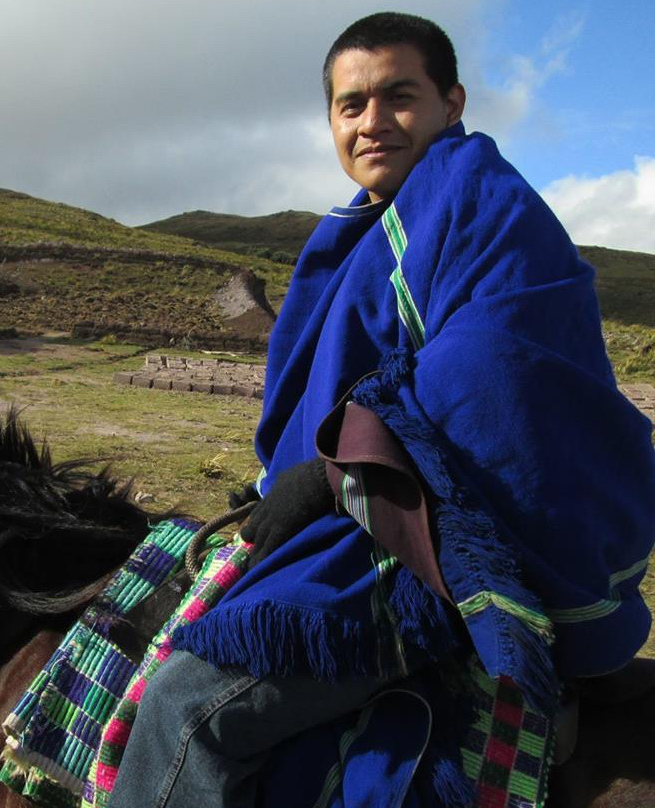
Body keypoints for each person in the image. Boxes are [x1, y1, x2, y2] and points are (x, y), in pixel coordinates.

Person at [107, 12, 655, 808]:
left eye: (399, 96)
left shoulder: (480, 202)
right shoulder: (376, 224)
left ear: (451, 101)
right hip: (363, 503)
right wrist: (285, 477)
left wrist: (331, 473)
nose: (372, 122)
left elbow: (493, 375)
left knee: (185, 706)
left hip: (432, 537)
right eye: (350, 104)